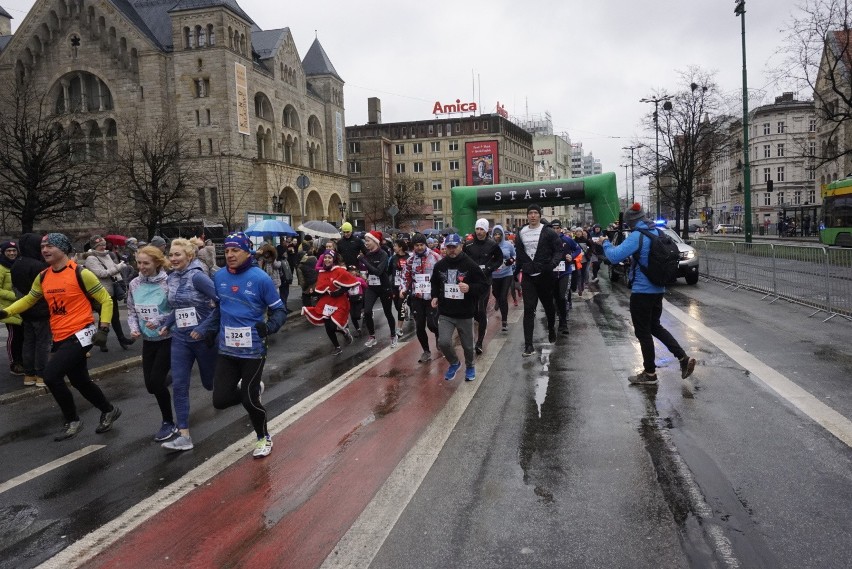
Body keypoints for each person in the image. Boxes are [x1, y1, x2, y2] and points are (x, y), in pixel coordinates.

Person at [0, 233, 122, 440]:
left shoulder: (81, 273)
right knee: (80, 380)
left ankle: (72, 419)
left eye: (50, 246)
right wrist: (7, 312)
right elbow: (30, 298)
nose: (45, 250)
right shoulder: (44, 276)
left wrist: (103, 328)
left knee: (51, 376)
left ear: (63, 249)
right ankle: (108, 409)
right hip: (59, 335)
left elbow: (105, 300)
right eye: (43, 247)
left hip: (81, 334)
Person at [197, 232, 287, 458]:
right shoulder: (219, 278)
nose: (229, 255)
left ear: (247, 251)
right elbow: (220, 309)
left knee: (249, 399)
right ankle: (254, 392)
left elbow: (279, 310)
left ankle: (263, 437)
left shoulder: (260, 278)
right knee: (220, 400)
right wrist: (210, 330)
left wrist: (270, 327)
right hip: (227, 349)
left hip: (253, 349)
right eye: (227, 251)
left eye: (235, 250)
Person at [601, 203, 697, 385]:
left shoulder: (638, 236)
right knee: (655, 327)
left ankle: (650, 373)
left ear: (631, 221)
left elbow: (614, 257)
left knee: (643, 332)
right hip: (658, 289)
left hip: (641, 292)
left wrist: (604, 243)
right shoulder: (659, 233)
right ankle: (683, 358)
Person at [158, 238, 219, 451]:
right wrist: (167, 323)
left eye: (178, 255)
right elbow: (179, 306)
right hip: (180, 338)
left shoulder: (198, 277)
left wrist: (203, 328)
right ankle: (184, 435)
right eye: (171, 255)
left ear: (189, 256)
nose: (173, 259)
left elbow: (220, 303)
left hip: (202, 338)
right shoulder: (172, 278)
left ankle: (244, 386)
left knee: (211, 384)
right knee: (180, 385)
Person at [127, 245, 177, 442]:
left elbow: (175, 311)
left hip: (168, 338)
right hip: (148, 340)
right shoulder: (134, 284)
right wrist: (134, 328)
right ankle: (171, 376)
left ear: (157, 262)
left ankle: (168, 422)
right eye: (139, 263)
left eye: (146, 263)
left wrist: (160, 320)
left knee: (156, 382)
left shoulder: (168, 282)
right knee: (150, 386)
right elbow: (132, 310)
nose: (141, 267)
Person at [430, 234, 487, 381]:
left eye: (454, 247)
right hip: (446, 312)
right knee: (443, 342)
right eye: (448, 247)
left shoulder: (470, 264)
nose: (451, 250)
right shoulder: (440, 265)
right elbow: (435, 283)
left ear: (460, 246)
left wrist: (470, 288)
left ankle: (470, 366)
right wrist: (435, 296)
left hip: (465, 313)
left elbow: (483, 285)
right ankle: (455, 363)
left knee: (468, 346)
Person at [514, 204, 563, 357]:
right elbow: (520, 254)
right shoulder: (521, 233)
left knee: (548, 306)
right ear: (527, 216)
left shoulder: (548, 232)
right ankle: (528, 345)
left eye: (536, 213)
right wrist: (516, 273)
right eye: (530, 213)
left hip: (545, 275)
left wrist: (552, 264)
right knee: (529, 309)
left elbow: (558, 250)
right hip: (528, 275)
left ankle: (551, 327)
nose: (533, 216)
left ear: (540, 215)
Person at [10, 234, 51, 388]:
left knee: (28, 342)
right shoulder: (39, 266)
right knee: (42, 343)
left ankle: (29, 375)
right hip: (40, 308)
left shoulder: (16, 264)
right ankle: (41, 375)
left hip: (25, 309)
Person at [84, 235, 134, 351]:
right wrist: (119, 267)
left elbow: (113, 270)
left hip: (112, 290)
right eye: (99, 245)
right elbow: (102, 273)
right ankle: (102, 341)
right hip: (101, 292)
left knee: (115, 317)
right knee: (104, 317)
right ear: (94, 246)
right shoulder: (90, 259)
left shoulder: (107, 255)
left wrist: (120, 274)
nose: (103, 247)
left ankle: (120, 339)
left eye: (103, 244)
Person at [302, 251, 357, 355]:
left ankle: (344, 332)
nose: (327, 259)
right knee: (328, 326)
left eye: (330, 258)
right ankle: (337, 347)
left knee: (333, 325)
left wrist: (338, 292)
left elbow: (351, 282)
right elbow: (320, 288)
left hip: (340, 301)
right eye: (325, 257)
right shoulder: (322, 272)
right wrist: (313, 292)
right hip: (326, 302)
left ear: (334, 260)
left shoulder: (340, 270)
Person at [463, 218, 504, 354]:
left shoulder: (492, 245)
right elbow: (462, 260)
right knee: (473, 312)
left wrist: (489, 268)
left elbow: (499, 259)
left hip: (485, 282)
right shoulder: (468, 245)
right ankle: (477, 326)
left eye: (482, 229)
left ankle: (479, 342)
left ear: (486, 231)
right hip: (470, 282)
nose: (479, 232)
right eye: (477, 229)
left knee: (481, 310)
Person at [401, 233, 441, 363]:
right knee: (419, 326)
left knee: (431, 324)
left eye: (421, 245)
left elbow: (442, 274)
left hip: (431, 297)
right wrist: (403, 289)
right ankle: (426, 351)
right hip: (417, 297)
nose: (419, 247)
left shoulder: (435, 257)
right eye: (416, 245)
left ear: (425, 244)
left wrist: (440, 291)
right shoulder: (410, 260)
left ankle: (438, 334)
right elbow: (406, 277)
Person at [358, 231, 397, 348]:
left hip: (384, 287)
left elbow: (378, 271)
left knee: (388, 312)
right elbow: (367, 270)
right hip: (372, 287)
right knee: (367, 311)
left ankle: (393, 336)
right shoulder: (367, 255)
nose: (366, 243)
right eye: (365, 241)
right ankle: (372, 336)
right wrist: (364, 275)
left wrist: (363, 260)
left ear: (375, 241)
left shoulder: (383, 254)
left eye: (368, 241)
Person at [549, 220, 581, 334]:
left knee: (562, 297)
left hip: (565, 272)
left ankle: (563, 323)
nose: (555, 230)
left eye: (557, 228)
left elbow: (578, 249)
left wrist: (571, 256)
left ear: (560, 229)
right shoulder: (547, 241)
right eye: (553, 228)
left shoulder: (567, 240)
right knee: (554, 299)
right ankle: (556, 318)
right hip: (551, 274)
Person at [0, 240, 24, 377]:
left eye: (14, 250)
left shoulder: (19, 264)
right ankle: (14, 363)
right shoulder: (1, 267)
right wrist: (15, 296)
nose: (11, 253)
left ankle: (22, 360)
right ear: (3, 252)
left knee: (23, 335)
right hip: (8, 307)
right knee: (14, 336)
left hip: (21, 305)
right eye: (8, 250)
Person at [489, 225, 516, 332]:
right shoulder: (490, 246)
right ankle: (498, 300)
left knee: (503, 297)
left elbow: (515, 255)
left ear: (502, 235)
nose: (497, 236)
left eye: (499, 234)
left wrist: (511, 260)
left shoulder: (508, 245)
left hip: (506, 274)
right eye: (495, 234)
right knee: (498, 295)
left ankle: (504, 322)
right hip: (495, 275)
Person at [390, 239, 410, 338]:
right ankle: (405, 311)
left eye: (395, 246)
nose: (394, 248)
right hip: (395, 286)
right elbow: (389, 271)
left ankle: (399, 328)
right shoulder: (392, 258)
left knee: (401, 305)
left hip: (404, 286)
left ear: (400, 247)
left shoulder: (408, 258)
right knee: (398, 307)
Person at [347, 265, 367, 336]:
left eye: (353, 270)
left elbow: (366, 286)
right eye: (350, 271)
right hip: (351, 299)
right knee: (352, 315)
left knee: (357, 315)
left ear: (356, 272)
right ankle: (358, 329)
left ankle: (363, 314)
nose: (352, 272)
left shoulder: (359, 279)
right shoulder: (346, 280)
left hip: (359, 298)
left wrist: (363, 294)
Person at [297, 242, 318, 308]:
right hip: (317, 283)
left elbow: (301, 280)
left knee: (306, 299)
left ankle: (308, 311)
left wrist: (304, 288)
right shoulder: (314, 259)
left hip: (308, 286)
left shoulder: (300, 266)